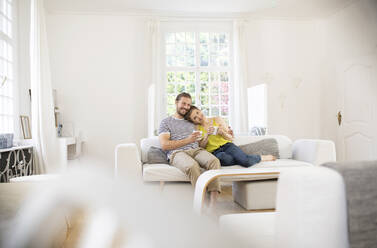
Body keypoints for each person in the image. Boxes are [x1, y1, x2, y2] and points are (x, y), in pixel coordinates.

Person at [158, 93, 221, 208]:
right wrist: (188, 140)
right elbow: (165, 145)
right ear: (176, 102)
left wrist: (207, 135)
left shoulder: (192, 121)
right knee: (192, 166)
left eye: (188, 105)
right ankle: (202, 204)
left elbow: (201, 142)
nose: (186, 107)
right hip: (177, 153)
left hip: (196, 150)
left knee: (214, 161)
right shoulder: (166, 122)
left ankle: (213, 205)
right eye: (183, 103)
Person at [184, 106, 276, 167]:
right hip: (215, 152)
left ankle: (261, 158)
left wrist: (221, 132)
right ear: (194, 121)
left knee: (246, 162)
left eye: (197, 112)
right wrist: (207, 135)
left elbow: (231, 138)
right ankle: (243, 158)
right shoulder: (197, 129)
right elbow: (202, 147)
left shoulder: (217, 119)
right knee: (224, 159)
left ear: (199, 110)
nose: (198, 117)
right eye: (195, 118)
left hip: (228, 146)